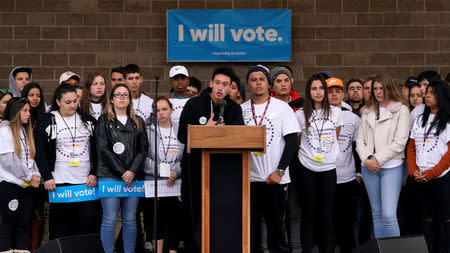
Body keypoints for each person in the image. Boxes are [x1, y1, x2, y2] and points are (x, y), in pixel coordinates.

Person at [178, 66, 244, 252]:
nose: (220, 88)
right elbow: (182, 135)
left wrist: (226, 131)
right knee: (193, 213)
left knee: (220, 214)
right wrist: (204, 130)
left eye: (225, 84)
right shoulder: (194, 104)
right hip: (195, 168)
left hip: (223, 171)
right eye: (217, 83)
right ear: (210, 83)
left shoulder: (234, 108)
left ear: (231, 87)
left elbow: (242, 136)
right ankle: (192, 247)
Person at [242, 65, 300, 253]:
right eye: (253, 80)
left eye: (262, 79)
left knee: (276, 228)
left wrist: (280, 171)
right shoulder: (241, 110)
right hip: (248, 180)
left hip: (274, 179)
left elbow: (292, 143)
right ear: (248, 85)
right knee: (251, 231)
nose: (258, 83)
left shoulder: (283, 108)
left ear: (269, 84)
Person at [34, 84, 99, 240]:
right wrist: (47, 176)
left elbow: (98, 150)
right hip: (59, 183)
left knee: (86, 227)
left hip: (85, 184)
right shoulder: (47, 121)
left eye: (75, 101)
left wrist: (94, 173)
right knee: (61, 229)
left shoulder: (88, 120)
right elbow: (39, 152)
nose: (72, 105)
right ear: (58, 102)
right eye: (67, 102)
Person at [96, 83, 149, 253]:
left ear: (129, 99)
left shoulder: (138, 121)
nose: (121, 97)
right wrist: (122, 172)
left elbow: (143, 149)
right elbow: (102, 149)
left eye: (125, 95)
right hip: (110, 175)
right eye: (118, 95)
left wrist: (132, 171)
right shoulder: (104, 120)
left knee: (130, 219)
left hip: (133, 177)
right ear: (111, 99)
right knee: (110, 218)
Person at [356, 74, 410, 238]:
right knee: (377, 214)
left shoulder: (401, 110)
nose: (378, 92)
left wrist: (375, 159)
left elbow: (400, 142)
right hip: (368, 168)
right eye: (375, 89)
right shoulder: (366, 111)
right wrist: (367, 160)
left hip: (391, 167)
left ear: (389, 89)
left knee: (388, 214)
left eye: (382, 88)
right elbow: (360, 140)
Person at [295, 74, 342, 253]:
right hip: (307, 167)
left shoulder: (336, 112)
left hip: (328, 168)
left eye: (321, 88)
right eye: (314, 88)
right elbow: (299, 141)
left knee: (327, 214)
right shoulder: (300, 114)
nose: (318, 92)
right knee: (308, 213)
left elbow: (334, 137)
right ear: (308, 92)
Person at [407, 80, 450, 253]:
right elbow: (411, 148)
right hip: (420, 177)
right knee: (426, 220)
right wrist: (413, 170)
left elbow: (449, 154)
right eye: (427, 92)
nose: (427, 95)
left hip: (441, 177)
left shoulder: (447, 120)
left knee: (444, 220)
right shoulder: (419, 119)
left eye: (431, 92)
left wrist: (432, 173)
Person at [268, 66, 303, 252]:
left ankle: (295, 248)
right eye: (278, 81)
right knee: (273, 212)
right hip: (272, 164)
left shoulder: (303, 104)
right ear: (272, 84)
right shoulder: (265, 105)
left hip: (297, 163)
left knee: (294, 210)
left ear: (291, 82)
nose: (283, 84)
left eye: (286, 80)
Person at [0, 97, 41, 253]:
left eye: (29, 111)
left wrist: (36, 174)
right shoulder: (4, 130)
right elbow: (8, 161)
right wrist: (29, 176)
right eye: (25, 110)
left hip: (26, 186)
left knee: (24, 223)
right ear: (15, 112)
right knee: (8, 224)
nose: (28, 114)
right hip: (9, 185)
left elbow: (30, 157)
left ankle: (21, 249)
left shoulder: (24, 130)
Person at [144, 97, 184, 253]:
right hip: (155, 184)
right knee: (156, 222)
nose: (161, 113)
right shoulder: (148, 131)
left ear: (172, 110)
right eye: (158, 110)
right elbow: (144, 158)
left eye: (164, 109)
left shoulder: (180, 130)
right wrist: (162, 170)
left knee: (174, 220)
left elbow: (185, 157)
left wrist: (176, 171)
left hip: (175, 184)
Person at [327, 78, 361, 253]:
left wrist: (359, 173)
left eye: (337, 91)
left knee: (347, 221)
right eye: (330, 91)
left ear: (343, 94)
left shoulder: (353, 118)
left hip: (347, 177)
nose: (334, 94)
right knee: (327, 221)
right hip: (324, 176)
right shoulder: (318, 115)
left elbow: (358, 147)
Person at [20, 83, 47, 251]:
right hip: (23, 172)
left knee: (38, 213)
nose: (35, 98)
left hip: (40, 173)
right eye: (31, 95)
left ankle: (35, 247)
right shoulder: (21, 118)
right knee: (24, 213)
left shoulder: (45, 117)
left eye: (38, 95)